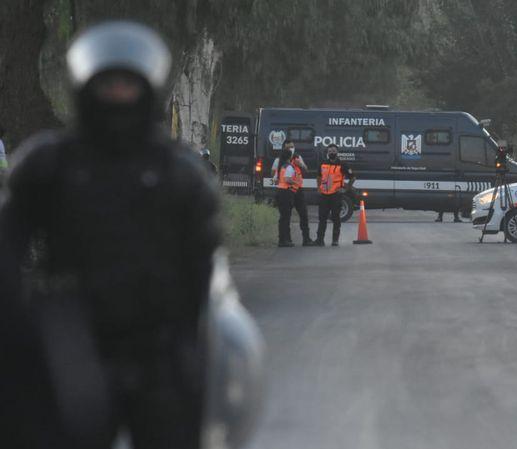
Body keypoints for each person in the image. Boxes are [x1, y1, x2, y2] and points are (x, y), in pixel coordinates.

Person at [0, 22, 220, 449]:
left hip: (159, 349)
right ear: (86, 86)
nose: (118, 95)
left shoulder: (181, 174)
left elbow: (208, 269)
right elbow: (6, 247)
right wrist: (21, 327)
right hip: (69, 344)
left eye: (127, 84)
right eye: (109, 84)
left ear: (148, 88)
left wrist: (199, 346)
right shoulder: (48, 165)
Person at [271, 140, 312, 246]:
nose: (291, 149)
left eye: (293, 146)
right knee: (286, 216)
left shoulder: (298, 158)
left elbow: (306, 170)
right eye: (289, 147)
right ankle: (286, 239)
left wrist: (301, 165)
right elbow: (275, 175)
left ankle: (306, 239)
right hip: (287, 191)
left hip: (298, 190)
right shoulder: (278, 160)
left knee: (303, 214)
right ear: (284, 148)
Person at [315, 144, 354, 246]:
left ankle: (335, 240)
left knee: (336, 217)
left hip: (336, 195)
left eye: (333, 151)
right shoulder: (322, 164)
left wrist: (346, 189)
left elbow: (352, 177)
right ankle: (320, 240)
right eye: (330, 151)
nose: (332, 152)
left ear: (337, 152)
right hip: (324, 195)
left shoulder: (343, 164)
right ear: (327, 153)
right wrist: (318, 188)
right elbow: (319, 176)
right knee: (322, 218)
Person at [274, 147, 298, 247]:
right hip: (286, 193)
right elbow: (288, 179)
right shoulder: (289, 167)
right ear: (290, 156)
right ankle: (284, 241)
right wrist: (295, 182)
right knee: (286, 217)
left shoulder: (280, 167)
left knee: (282, 217)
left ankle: (282, 239)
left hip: (279, 191)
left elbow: (275, 180)